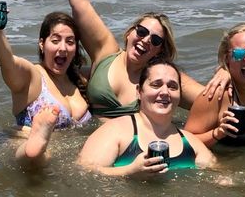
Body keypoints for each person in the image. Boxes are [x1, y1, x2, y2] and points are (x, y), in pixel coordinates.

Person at [42, 0, 229, 118]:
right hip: (92, 141)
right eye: (141, 31)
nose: (146, 40)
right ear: (129, 33)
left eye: (155, 40)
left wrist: (226, 72)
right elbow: (80, 1)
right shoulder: (106, 53)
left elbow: (211, 100)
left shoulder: (163, 78)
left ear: (159, 51)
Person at [0, 6, 92, 166]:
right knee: (36, 155)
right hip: (22, 143)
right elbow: (8, 62)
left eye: (70, 42)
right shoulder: (32, 76)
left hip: (62, 154)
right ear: (42, 44)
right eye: (55, 40)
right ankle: (37, 141)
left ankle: (39, 143)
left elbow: (108, 63)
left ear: (75, 48)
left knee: (49, 158)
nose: (63, 48)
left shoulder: (79, 78)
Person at [77, 58, 216, 176]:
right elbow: (85, 171)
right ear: (139, 92)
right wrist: (130, 170)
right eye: (156, 85)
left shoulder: (191, 143)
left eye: (173, 87)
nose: (165, 92)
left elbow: (218, 174)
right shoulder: (115, 130)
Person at [185, 23, 245, 147]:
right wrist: (217, 133)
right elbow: (185, 142)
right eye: (239, 54)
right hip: (229, 164)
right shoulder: (216, 95)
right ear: (227, 57)